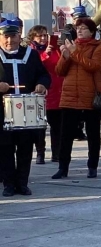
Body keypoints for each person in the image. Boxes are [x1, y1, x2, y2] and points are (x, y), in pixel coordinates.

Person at [0, 21, 50, 196]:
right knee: (4, 149)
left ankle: (22, 183)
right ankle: (8, 184)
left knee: (25, 148)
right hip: (2, 112)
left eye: (13, 36)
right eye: (6, 36)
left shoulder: (31, 54)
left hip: (26, 111)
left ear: (19, 36)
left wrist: (42, 84)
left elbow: (43, 75)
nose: (10, 40)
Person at [53, 17, 101, 180]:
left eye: (84, 28)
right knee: (66, 135)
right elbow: (59, 71)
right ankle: (63, 167)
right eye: (78, 28)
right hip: (69, 96)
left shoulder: (97, 47)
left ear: (92, 32)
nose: (80, 30)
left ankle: (92, 166)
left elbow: (93, 66)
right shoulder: (71, 45)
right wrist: (65, 56)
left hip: (90, 97)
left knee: (93, 134)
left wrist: (74, 52)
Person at [27, 26, 62, 165]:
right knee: (39, 127)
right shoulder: (30, 51)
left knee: (57, 125)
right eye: (39, 36)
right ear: (33, 38)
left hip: (55, 91)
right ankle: (40, 152)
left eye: (44, 35)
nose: (43, 38)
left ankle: (56, 153)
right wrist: (45, 55)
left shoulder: (54, 48)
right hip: (39, 93)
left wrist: (62, 50)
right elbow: (33, 69)